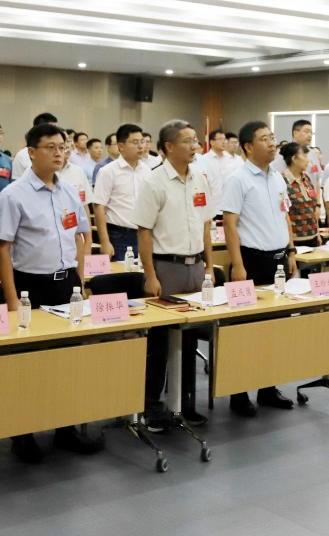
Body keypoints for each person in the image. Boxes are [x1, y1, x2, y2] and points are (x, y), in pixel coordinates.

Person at [0, 123, 102, 462]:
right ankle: (22, 434)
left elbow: (82, 236)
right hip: (31, 286)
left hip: (66, 283)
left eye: (62, 148)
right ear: (31, 152)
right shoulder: (13, 194)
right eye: (50, 147)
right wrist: (12, 300)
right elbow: (2, 249)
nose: (59, 154)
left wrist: (80, 281)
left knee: (67, 361)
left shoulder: (69, 191)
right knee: (29, 363)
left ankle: (65, 429)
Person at [134, 118, 214, 430]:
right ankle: (151, 407)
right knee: (160, 344)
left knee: (189, 340)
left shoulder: (199, 178)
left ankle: (185, 402)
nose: (195, 146)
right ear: (169, 147)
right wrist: (150, 274)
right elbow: (143, 231)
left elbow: (206, 226)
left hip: (195, 268)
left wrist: (209, 266)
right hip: (166, 267)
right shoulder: (154, 182)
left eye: (196, 140)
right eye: (188, 141)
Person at [221, 120, 298, 417]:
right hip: (251, 261)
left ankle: (267, 388)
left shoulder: (277, 178)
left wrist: (291, 251)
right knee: (245, 332)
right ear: (248, 147)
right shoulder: (237, 179)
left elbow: (285, 215)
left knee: (273, 329)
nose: (272, 143)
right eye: (264, 139)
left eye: (272, 137)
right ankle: (238, 393)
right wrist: (238, 265)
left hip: (278, 260)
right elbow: (229, 224)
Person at [92, 124, 149, 262]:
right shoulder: (108, 171)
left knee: (143, 273)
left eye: (142, 142)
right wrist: (105, 242)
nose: (141, 146)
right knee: (122, 273)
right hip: (119, 235)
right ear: (121, 146)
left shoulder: (147, 170)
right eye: (135, 142)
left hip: (144, 234)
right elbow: (99, 207)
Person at [281, 142, 320, 247]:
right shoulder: (282, 181)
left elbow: (312, 208)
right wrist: (290, 244)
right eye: (304, 156)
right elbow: (283, 214)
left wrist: (318, 233)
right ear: (294, 158)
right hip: (294, 240)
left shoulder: (306, 179)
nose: (308, 160)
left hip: (313, 236)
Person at [199, 130, 236, 216]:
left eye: (225, 139)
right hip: (213, 208)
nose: (223, 142)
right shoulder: (204, 160)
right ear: (212, 142)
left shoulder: (231, 159)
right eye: (220, 139)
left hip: (230, 207)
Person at [12, 112, 58, 178]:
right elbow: (16, 181)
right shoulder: (22, 156)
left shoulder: (58, 154)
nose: (56, 133)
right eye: (52, 130)